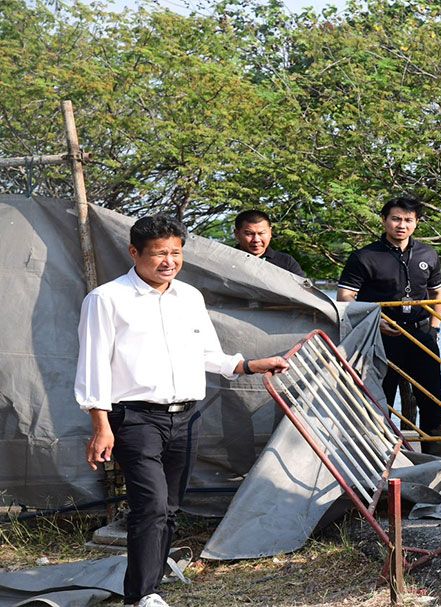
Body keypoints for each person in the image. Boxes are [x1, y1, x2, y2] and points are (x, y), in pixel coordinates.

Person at [77, 214, 289, 607]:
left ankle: (151, 581)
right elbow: (93, 365)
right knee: (151, 505)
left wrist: (248, 365)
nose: (169, 261)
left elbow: (208, 353)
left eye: (176, 253)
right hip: (135, 417)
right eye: (159, 253)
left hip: (187, 415)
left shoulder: (189, 297)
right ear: (134, 252)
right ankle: (141, 595)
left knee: (170, 507)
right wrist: (100, 425)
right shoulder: (107, 299)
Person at [336, 197, 441, 457]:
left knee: (432, 400)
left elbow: (438, 293)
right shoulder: (364, 256)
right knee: (379, 400)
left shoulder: (428, 254)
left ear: (416, 223)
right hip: (381, 336)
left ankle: (438, 463)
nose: (402, 225)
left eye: (408, 220)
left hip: (421, 334)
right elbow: (345, 297)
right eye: (396, 219)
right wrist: (376, 321)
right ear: (384, 220)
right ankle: (378, 461)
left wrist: (435, 328)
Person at [233, 210, 305, 277]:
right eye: (249, 233)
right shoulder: (228, 259)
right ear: (237, 234)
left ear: (270, 232)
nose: (256, 240)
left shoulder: (286, 262)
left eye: (261, 233)